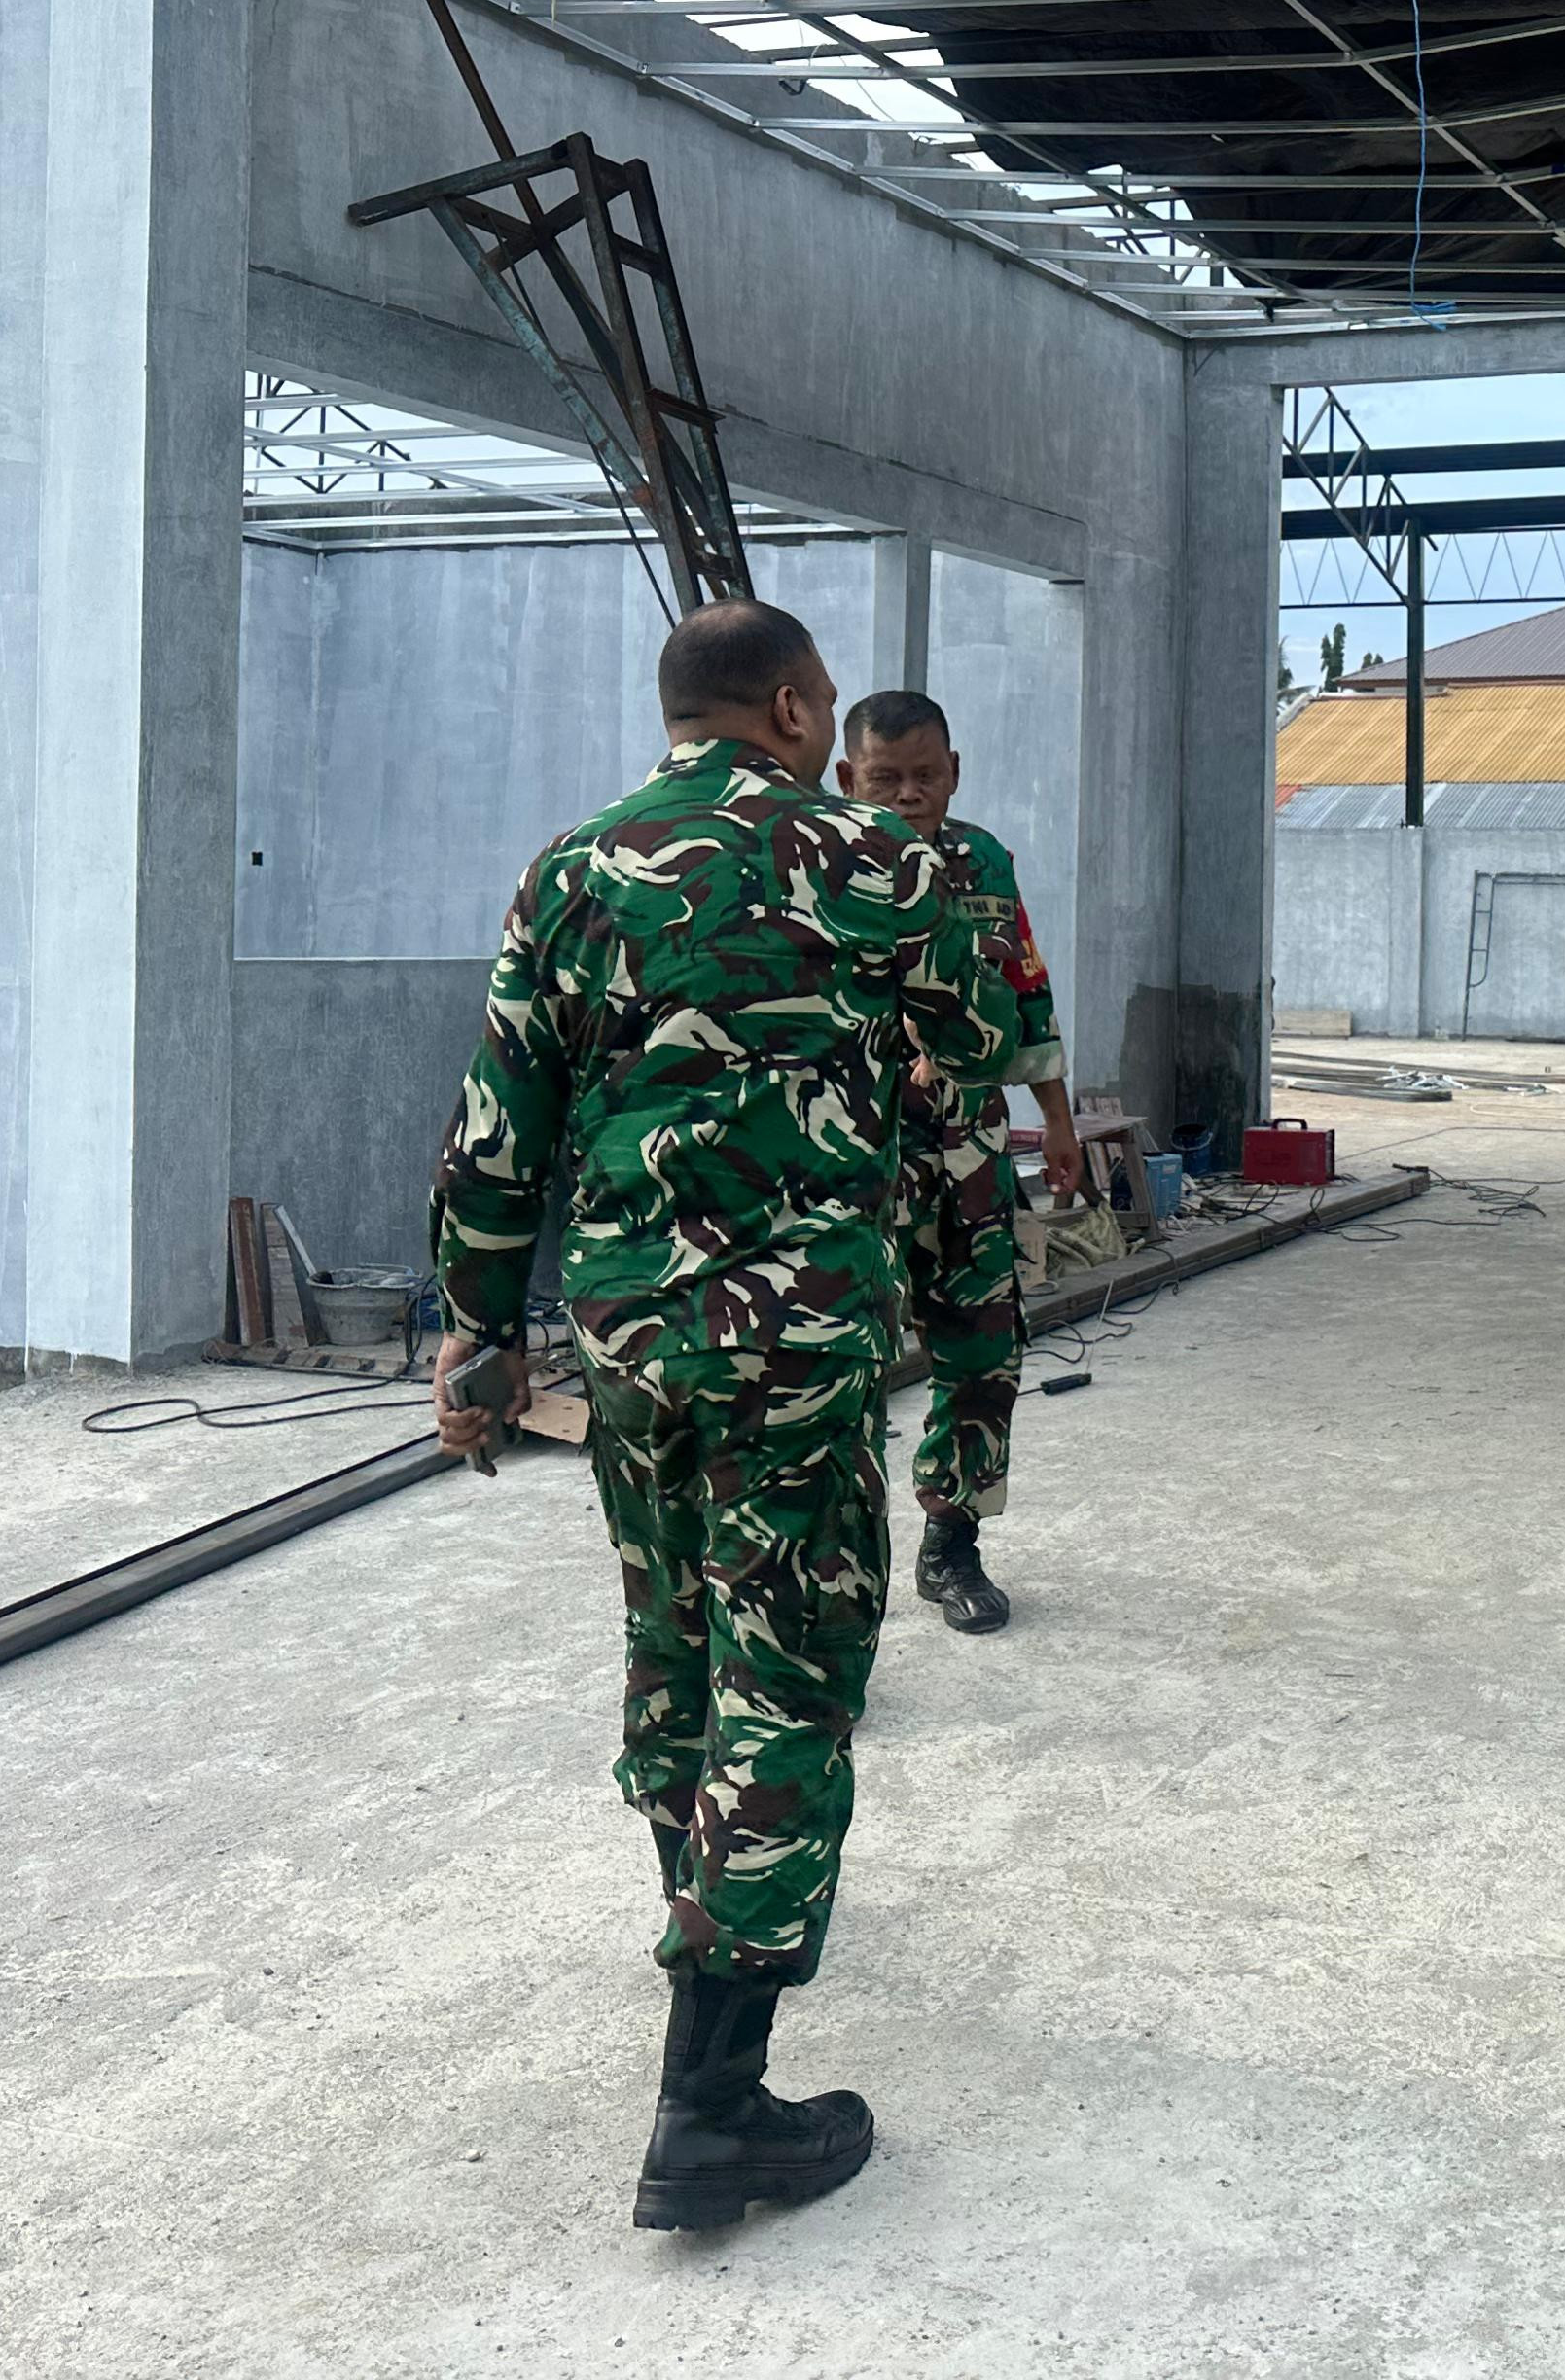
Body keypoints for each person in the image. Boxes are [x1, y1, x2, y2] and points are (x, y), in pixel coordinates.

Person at [428, 596, 1015, 2232]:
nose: (840, 742)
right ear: (781, 705)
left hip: (629, 1340)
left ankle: (688, 1926)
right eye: (824, 711)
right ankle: (710, 2105)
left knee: (672, 1638)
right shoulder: (881, 864)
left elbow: (496, 1133)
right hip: (798, 1337)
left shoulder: (569, 867)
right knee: (791, 1673)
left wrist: (477, 1344)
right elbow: (964, 1045)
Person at [835, 688, 1080, 1636]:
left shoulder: (981, 861)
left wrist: (1054, 1118)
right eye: (886, 778)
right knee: (835, 1368)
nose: (908, 794)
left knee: (983, 1353)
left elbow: (1025, 990)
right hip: (850, 1162)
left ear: (955, 773)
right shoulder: (812, 870)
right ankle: (829, 1582)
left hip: (970, 1158)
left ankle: (953, 1543)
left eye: (926, 776)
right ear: (849, 777)